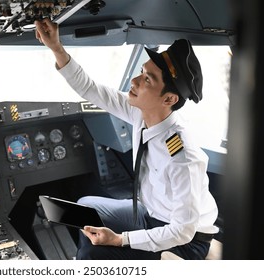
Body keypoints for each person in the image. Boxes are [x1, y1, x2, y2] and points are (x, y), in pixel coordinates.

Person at [35, 18, 219, 260]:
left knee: (94, 253)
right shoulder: (140, 112)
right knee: (84, 208)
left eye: (147, 80)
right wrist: (56, 48)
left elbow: (182, 231)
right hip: (151, 214)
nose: (135, 81)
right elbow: (91, 89)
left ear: (169, 99)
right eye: (142, 72)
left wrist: (121, 239)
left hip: (186, 241)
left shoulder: (183, 157)